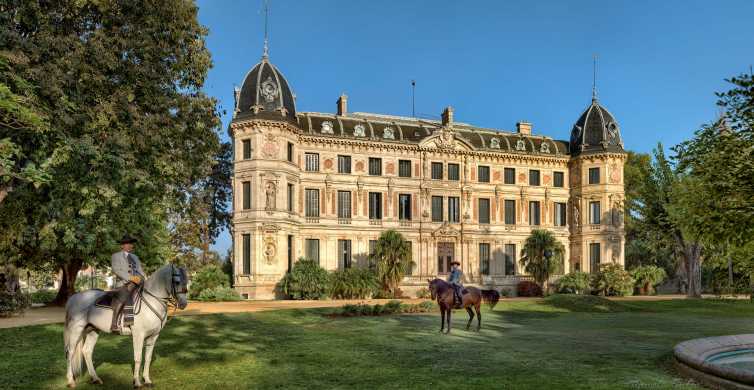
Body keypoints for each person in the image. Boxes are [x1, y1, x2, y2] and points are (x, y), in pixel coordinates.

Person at [110, 234, 145, 333]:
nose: (130, 245)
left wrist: (143, 278)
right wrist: (131, 278)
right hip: (123, 283)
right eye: (127, 243)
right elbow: (116, 270)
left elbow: (140, 270)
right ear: (122, 246)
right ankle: (114, 323)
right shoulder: (116, 256)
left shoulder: (135, 257)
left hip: (137, 282)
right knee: (125, 293)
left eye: (131, 243)